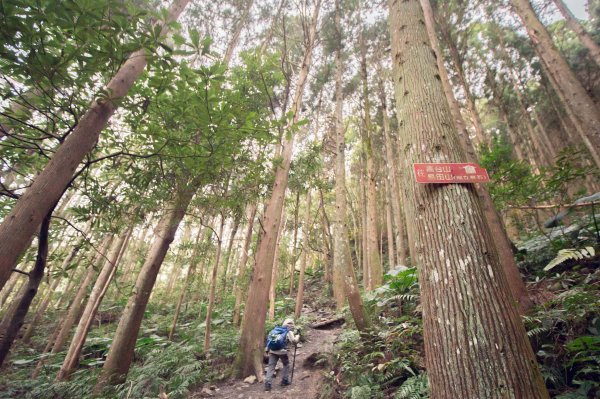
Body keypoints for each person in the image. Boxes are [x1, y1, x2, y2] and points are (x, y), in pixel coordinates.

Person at [264, 318, 300, 391]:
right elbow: (294, 341)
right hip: (282, 352)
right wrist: (297, 337)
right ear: (291, 325)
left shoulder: (276, 330)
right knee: (286, 365)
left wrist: (267, 349)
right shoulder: (288, 331)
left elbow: (269, 340)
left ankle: (267, 384)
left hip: (273, 351)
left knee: (271, 367)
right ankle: (285, 381)